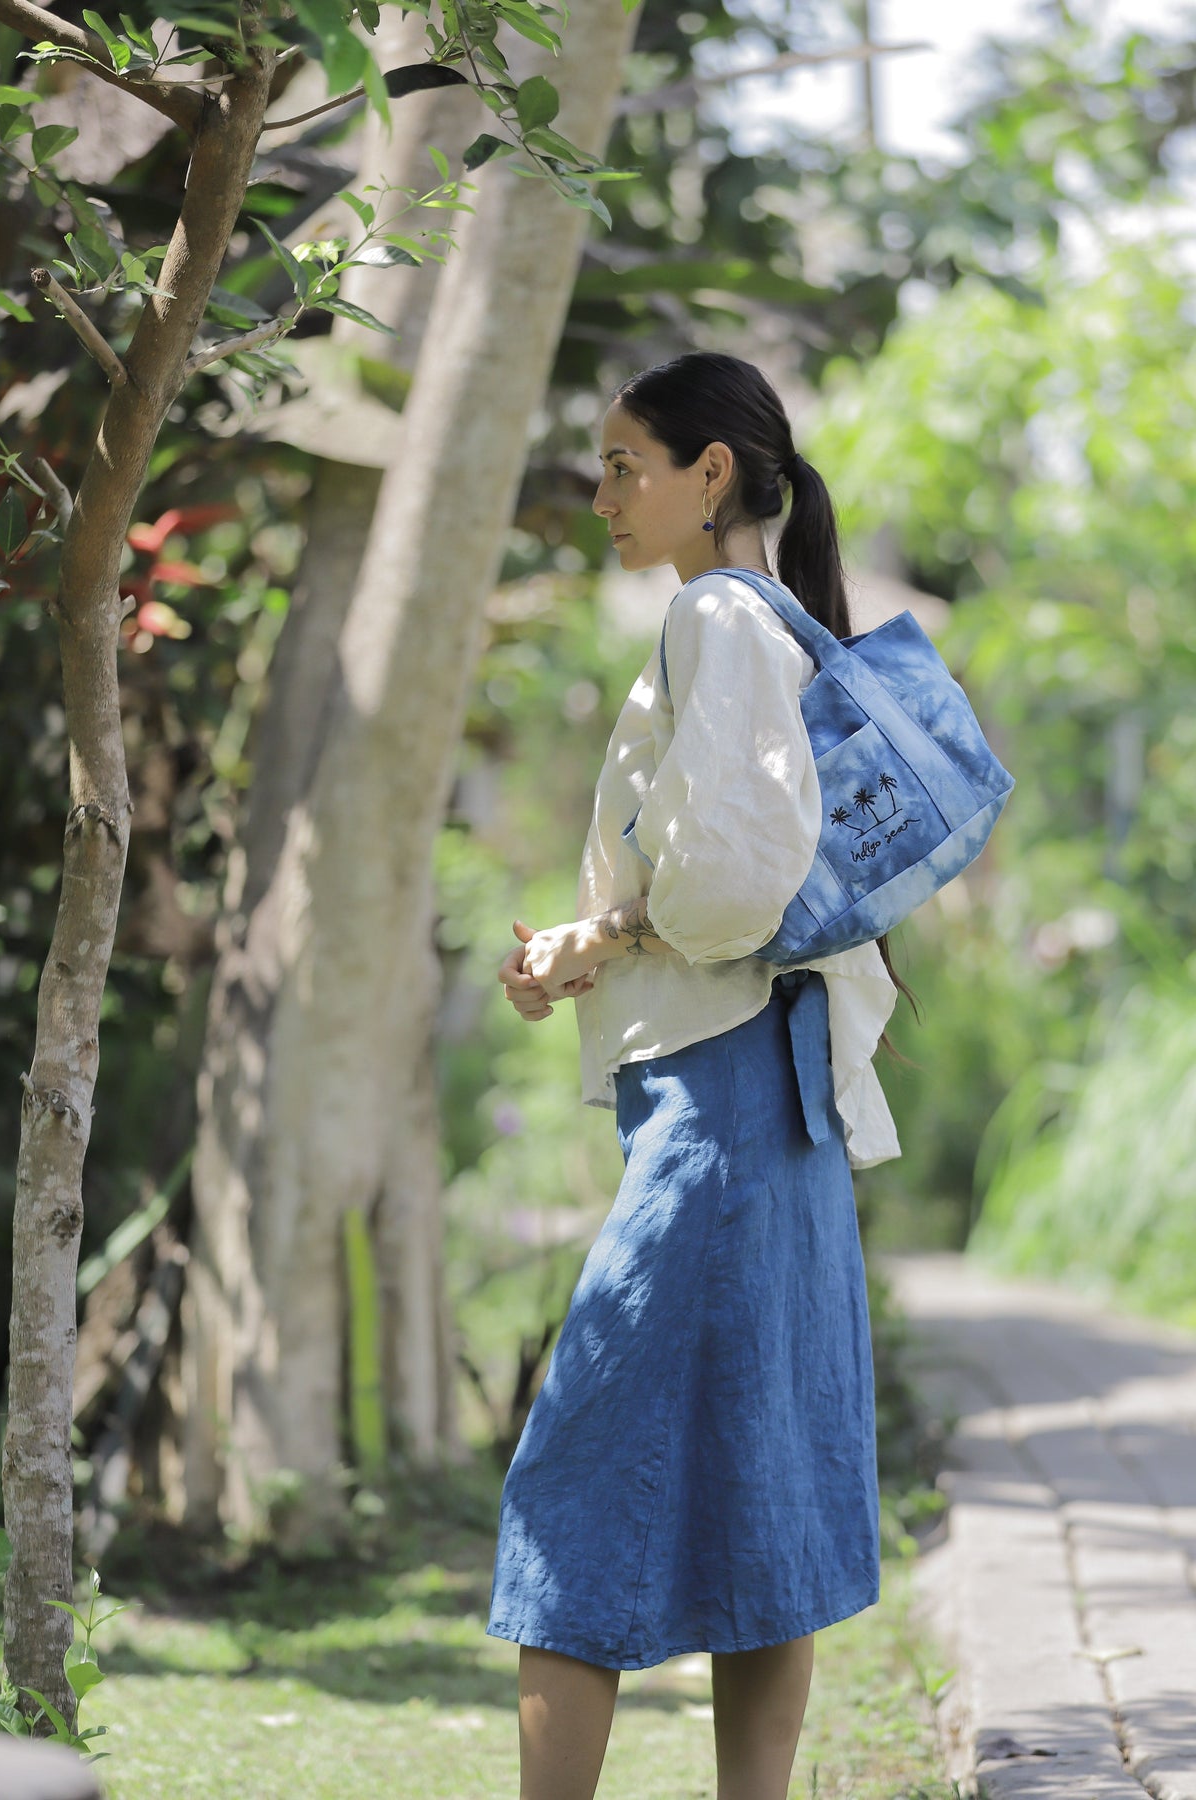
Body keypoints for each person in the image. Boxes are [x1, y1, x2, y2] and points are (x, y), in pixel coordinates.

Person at [488, 351, 903, 1800]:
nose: (600, 492)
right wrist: (588, 948)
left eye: (622, 465)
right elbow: (733, 882)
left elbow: (729, 884)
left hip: (727, 1107)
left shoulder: (720, 616)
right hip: (766, 1099)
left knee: (572, 1475)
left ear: (708, 472)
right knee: (762, 1482)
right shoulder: (762, 620)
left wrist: (596, 935)